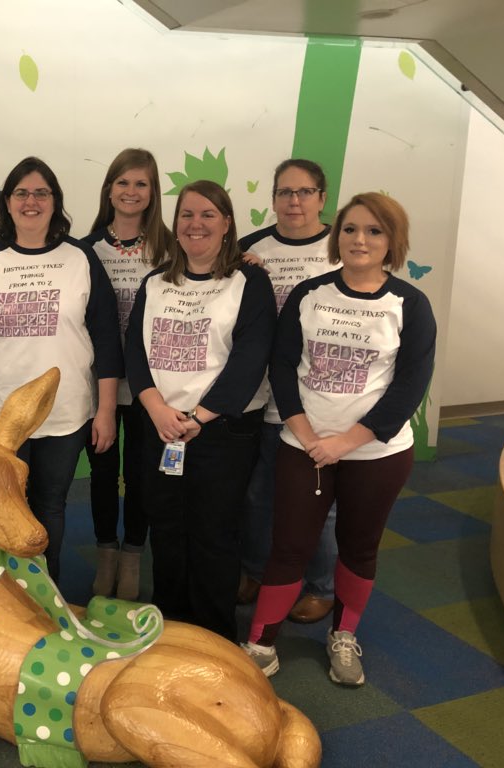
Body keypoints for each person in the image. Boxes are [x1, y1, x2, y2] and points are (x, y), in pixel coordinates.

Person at [242, 192, 436, 686]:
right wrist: (308, 435)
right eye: (350, 229)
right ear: (337, 235)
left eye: (374, 231)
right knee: (289, 546)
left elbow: (410, 385)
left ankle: (343, 636)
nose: (360, 240)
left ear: (392, 241)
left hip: (376, 453)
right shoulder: (310, 294)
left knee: (359, 548)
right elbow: (282, 367)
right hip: (304, 445)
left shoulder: (410, 304)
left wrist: (344, 443)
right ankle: (260, 643)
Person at [0, 156, 122, 582]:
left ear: (55, 202)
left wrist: (105, 411)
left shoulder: (79, 257)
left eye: (41, 192)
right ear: (7, 203)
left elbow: (105, 338)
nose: (31, 201)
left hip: (64, 414)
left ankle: (46, 592)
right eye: (21, 193)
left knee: (49, 505)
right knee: (0, 506)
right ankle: (0, 595)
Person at [125, 180, 276, 641]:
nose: (196, 224)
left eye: (208, 214)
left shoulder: (249, 281)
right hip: (161, 428)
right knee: (167, 528)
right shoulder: (155, 282)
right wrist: (156, 409)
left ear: (227, 223)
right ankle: (170, 628)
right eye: (187, 215)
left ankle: (213, 637)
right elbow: (135, 350)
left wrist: (197, 418)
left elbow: (251, 359)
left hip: (221, 431)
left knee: (213, 533)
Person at [238, 159, 341, 623]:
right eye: (284, 192)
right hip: (261, 395)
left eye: (304, 192)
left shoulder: (343, 248)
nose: (293, 201)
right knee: (259, 495)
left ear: (322, 197)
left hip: (319, 400)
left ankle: (321, 585)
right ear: (273, 197)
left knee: (317, 500)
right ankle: (256, 570)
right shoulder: (248, 248)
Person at [81, 148, 174, 600]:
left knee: (141, 474)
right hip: (96, 384)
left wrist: (248, 260)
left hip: (149, 386)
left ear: (153, 192)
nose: (131, 192)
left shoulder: (172, 249)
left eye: (141, 184)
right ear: (109, 189)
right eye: (123, 182)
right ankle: (106, 552)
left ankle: (134, 552)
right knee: (101, 473)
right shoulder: (85, 249)